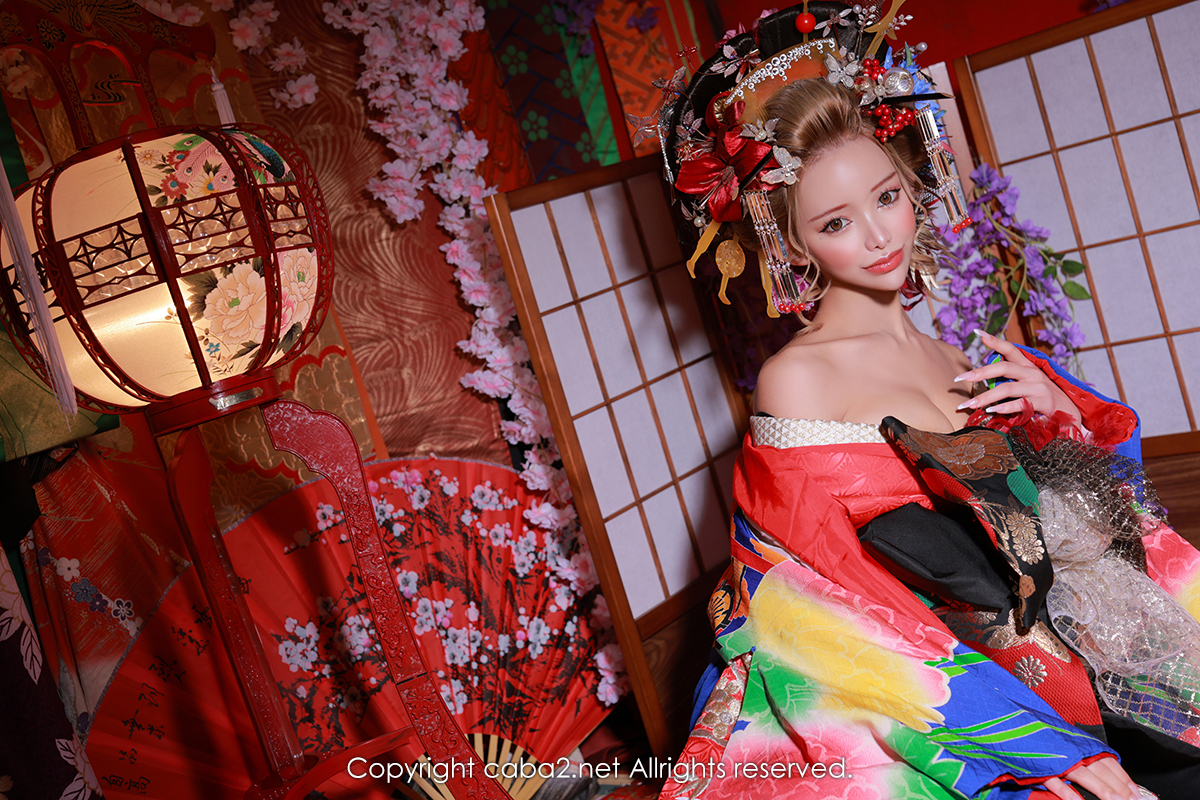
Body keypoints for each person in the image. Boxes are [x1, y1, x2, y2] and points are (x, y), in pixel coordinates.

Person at [656, 4, 1200, 800]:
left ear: (913, 184)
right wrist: (1039, 746)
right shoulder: (797, 381)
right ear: (792, 240)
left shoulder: (957, 359)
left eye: (886, 197)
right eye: (836, 222)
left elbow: (1107, 528)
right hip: (939, 699)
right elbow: (821, 596)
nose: (879, 237)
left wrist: (1060, 417)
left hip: (1076, 663)